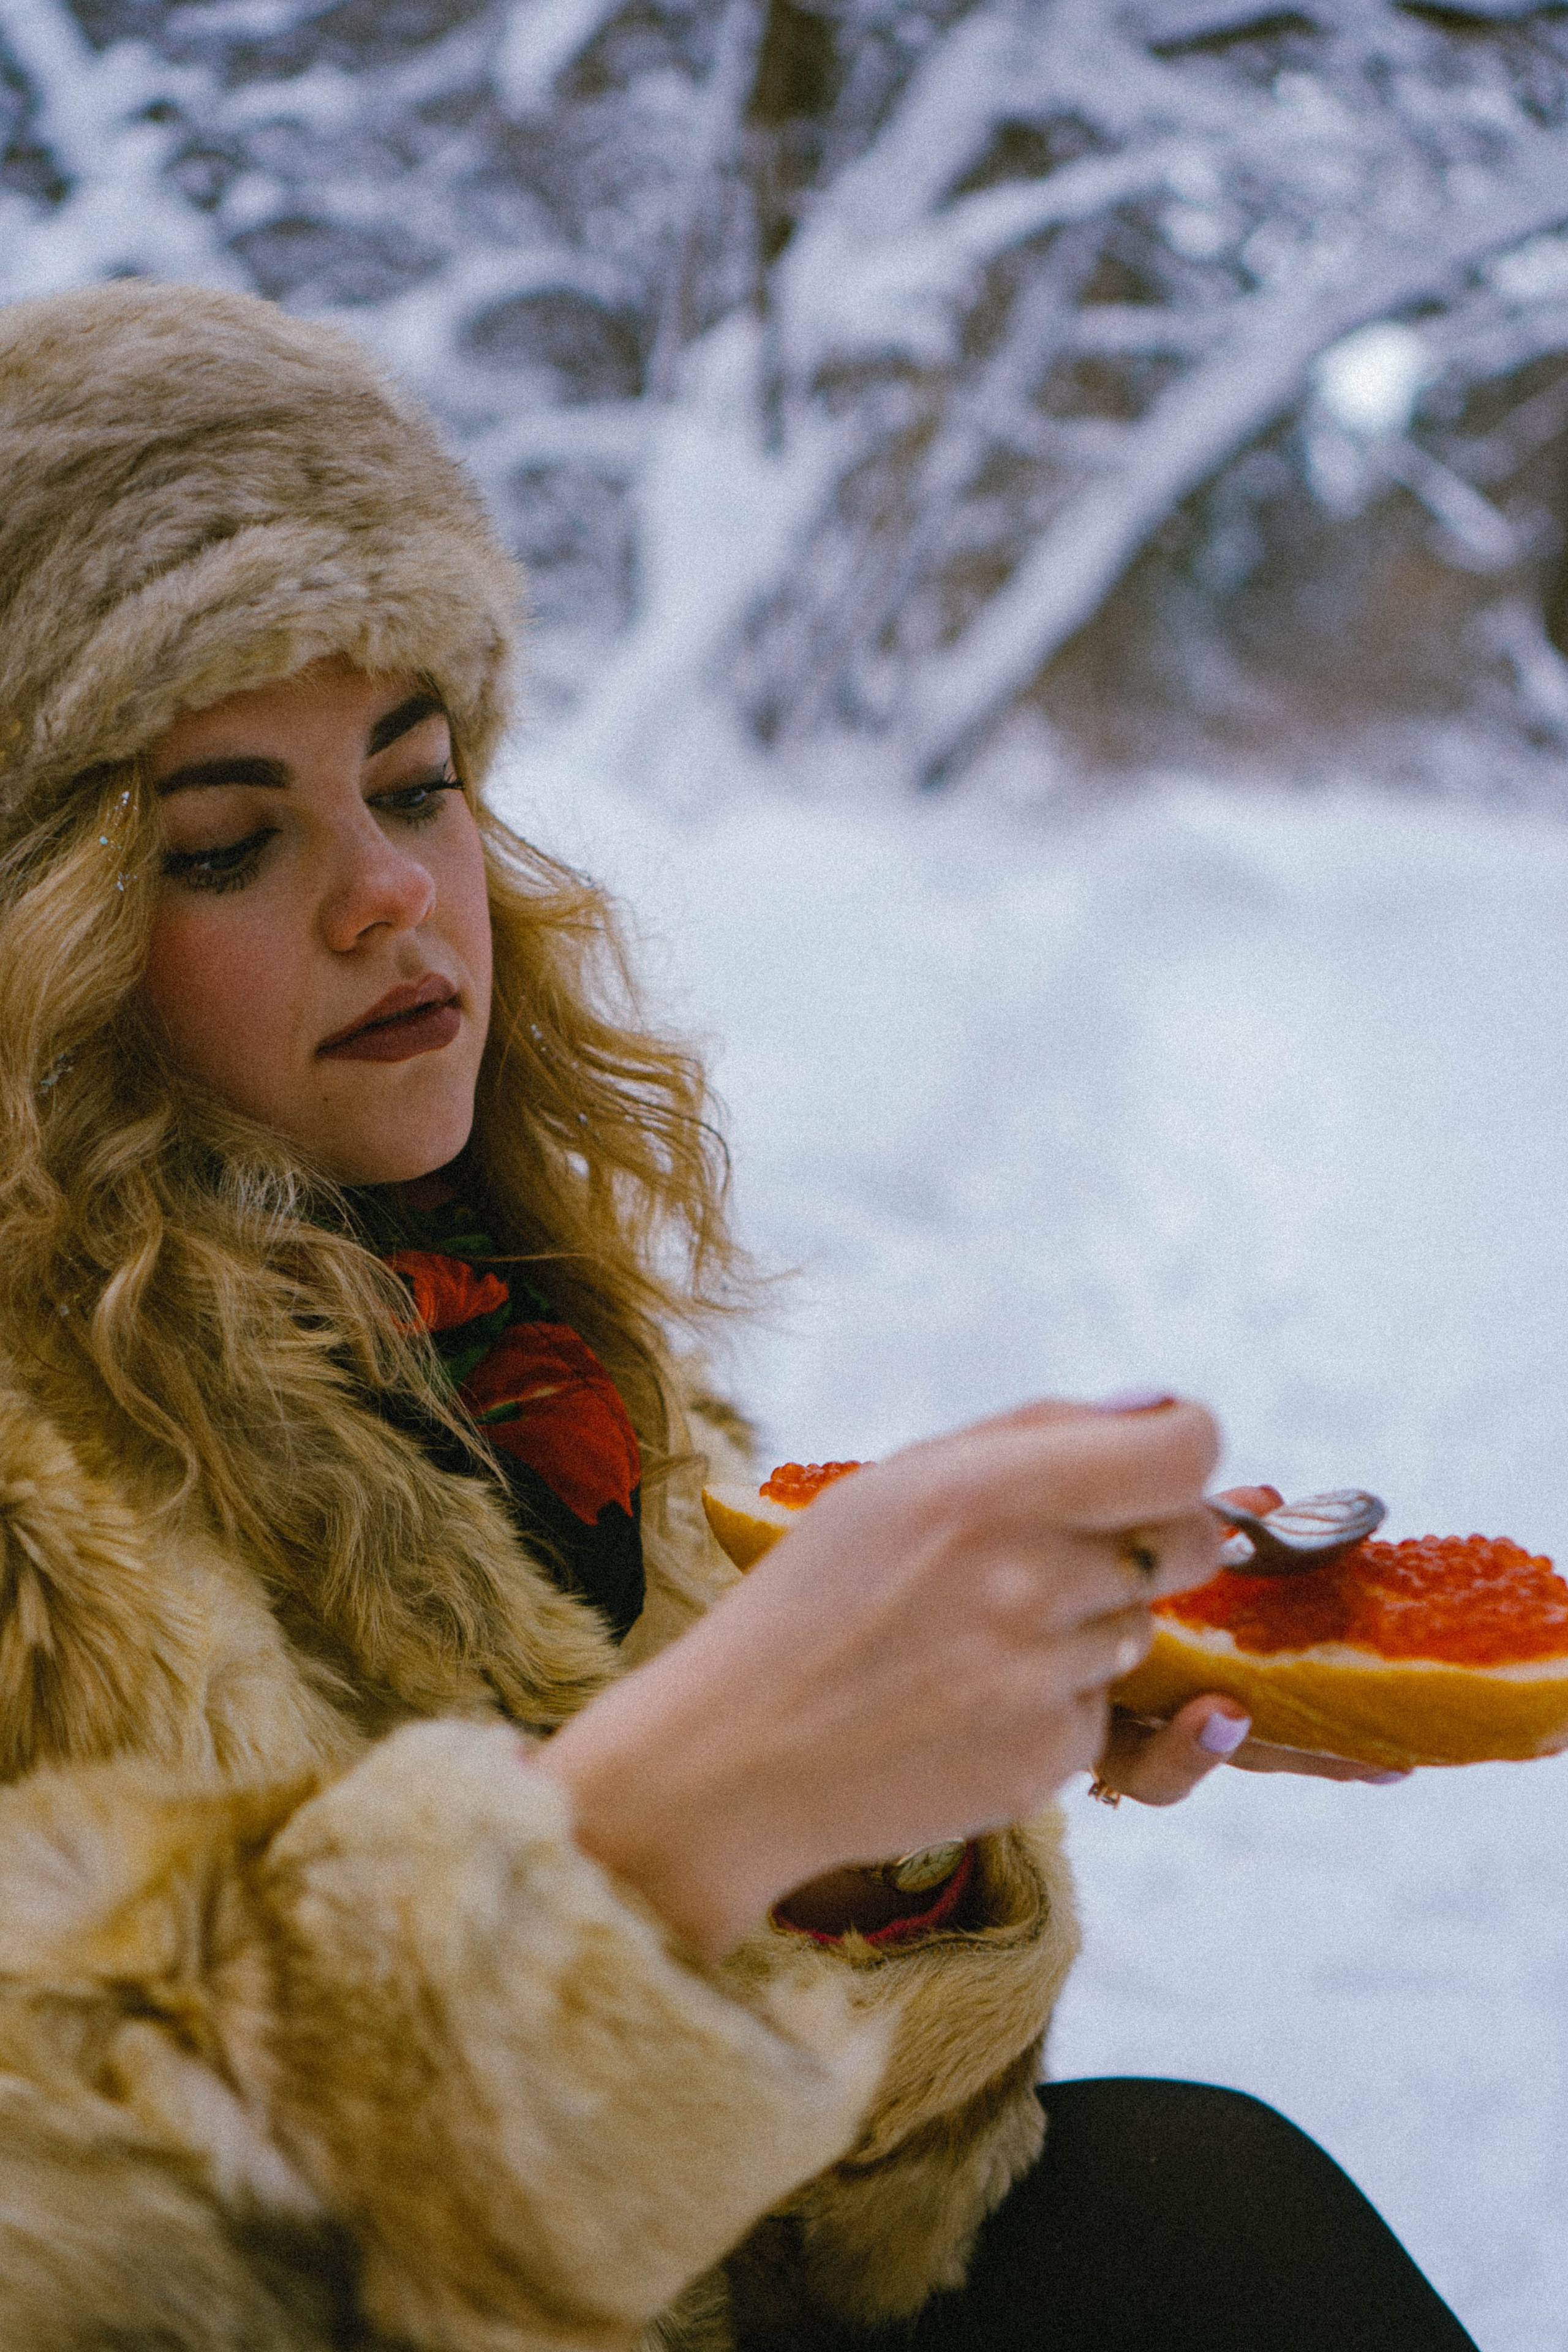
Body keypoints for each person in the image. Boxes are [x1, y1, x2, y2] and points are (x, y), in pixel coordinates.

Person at [0, 279, 1476, 2352]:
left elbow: (835, 2214)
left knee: (1203, 2206)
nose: (390, 896)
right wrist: (654, 1836)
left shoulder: (500, 1334)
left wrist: (885, 1805)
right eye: (229, 842)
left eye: (413, 785)